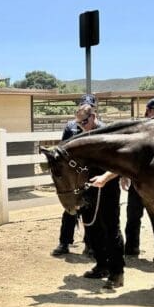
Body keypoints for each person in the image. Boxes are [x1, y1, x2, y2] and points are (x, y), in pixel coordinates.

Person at [73, 104, 125, 289]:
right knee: (92, 227)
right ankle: (102, 265)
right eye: (79, 123)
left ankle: (117, 272)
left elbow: (120, 162)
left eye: (85, 122)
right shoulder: (82, 135)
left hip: (107, 187)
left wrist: (105, 177)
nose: (82, 126)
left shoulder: (107, 134)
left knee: (111, 228)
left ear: (93, 117)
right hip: (89, 187)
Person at [123, 97, 154, 260]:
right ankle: (131, 248)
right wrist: (124, 174)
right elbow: (129, 154)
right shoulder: (139, 130)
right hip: (139, 180)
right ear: (148, 112)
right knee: (133, 214)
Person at [52, 94, 96, 257]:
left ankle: (90, 243)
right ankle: (64, 242)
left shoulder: (98, 127)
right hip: (72, 175)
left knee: (89, 208)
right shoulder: (70, 127)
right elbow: (62, 147)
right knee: (70, 208)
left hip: (89, 173)